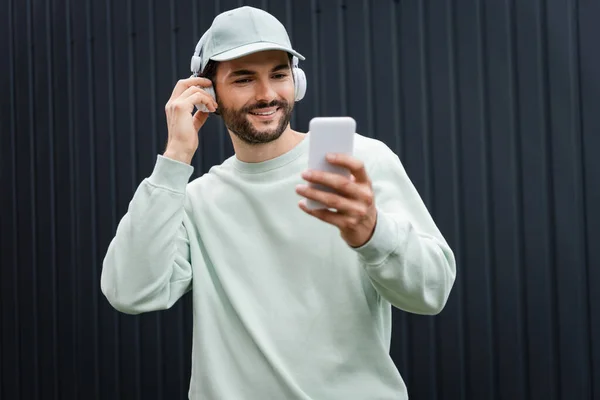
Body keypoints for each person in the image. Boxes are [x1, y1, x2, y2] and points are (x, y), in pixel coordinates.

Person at [100, 5, 456, 400]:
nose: (267, 94)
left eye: (279, 74)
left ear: (296, 82)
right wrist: (175, 157)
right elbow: (130, 291)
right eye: (244, 78)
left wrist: (374, 234)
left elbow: (432, 293)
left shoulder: (361, 162)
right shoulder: (192, 200)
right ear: (207, 93)